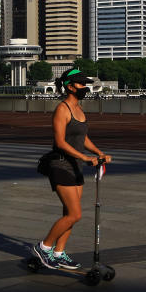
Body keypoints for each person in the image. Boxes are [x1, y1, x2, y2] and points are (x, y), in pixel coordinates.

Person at [33, 68, 110, 270]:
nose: (85, 87)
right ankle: (44, 247)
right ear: (70, 86)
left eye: (85, 83)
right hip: (60, 164)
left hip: (75, 166)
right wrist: (85, 157)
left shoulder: (79, 110)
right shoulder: (62, 109)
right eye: (81, 84)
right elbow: (60, 141)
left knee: (69, 213)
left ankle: (58, 253)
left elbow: (82, 139)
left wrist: (99, 153)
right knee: (75, 214)